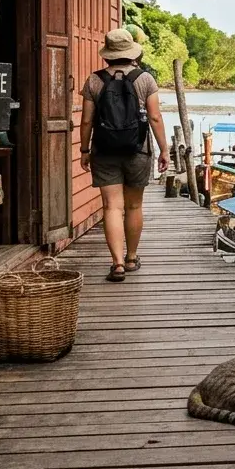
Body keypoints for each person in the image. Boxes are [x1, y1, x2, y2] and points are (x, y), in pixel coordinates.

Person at [79, 29, 169, 282]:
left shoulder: (94, 80)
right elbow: (155, 117)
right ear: (132, 53)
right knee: (134, 205)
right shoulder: (145, 79)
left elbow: (86, 121)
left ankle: (117, 263)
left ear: (107, 55)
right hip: (138, 150)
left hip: (104, 151)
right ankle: (131, 257)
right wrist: (164, 149)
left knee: (112, 206)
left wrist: (84, 150)